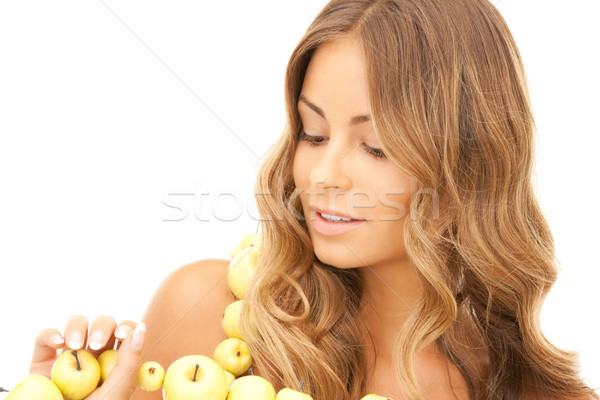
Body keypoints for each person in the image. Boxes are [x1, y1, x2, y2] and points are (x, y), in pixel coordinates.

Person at [27, 0, 599, 399]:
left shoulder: (538, 393)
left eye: (374, 148)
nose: (322, 174)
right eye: (313, 133)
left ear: (467, 170)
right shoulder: (208, 317)